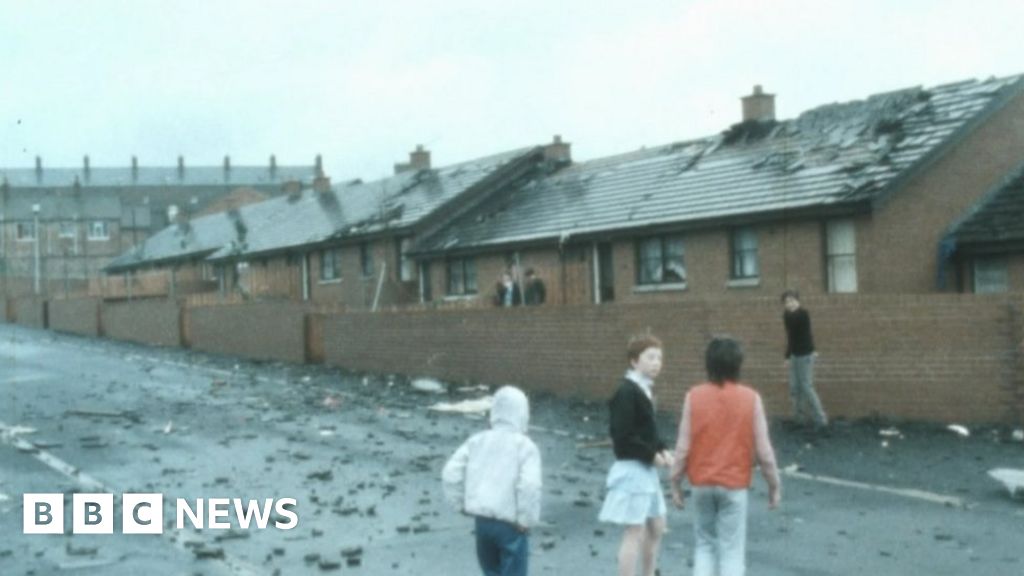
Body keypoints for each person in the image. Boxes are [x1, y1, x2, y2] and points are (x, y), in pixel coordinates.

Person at [670, 337, 781, 576]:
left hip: (701, 483)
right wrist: (774, 486)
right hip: (734, 485)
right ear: (738, 364)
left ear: (708, 364)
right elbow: (764, 452)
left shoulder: (694, 396)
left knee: (704, 545)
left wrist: (675, 481)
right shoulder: (751, 398)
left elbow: (682, 447)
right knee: (731, 551)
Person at [442, 386, 542, 576]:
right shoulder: (526, 447)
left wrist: (459, 504)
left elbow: (450, 473)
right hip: (511, 525)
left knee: (490, 571)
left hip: (482, 524)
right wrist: (526, 520)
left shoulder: (476, 441)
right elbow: (530, 486)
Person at [598, 334, 674, 576]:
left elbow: (647, 430)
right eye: (650, 357)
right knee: (635, 531)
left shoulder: (643, 390)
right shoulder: (626, 391)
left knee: (657, 526)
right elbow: (623, 436)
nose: (656, 363)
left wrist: (662, 448)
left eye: (659, 358)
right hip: (632, 469)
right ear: (633, 361)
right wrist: (652, 455)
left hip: (645, 470)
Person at [781, 290, 828, 430]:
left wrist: (812, 351)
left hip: (806, 354)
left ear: (798, 301)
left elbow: (803, 334)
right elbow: (790, 337)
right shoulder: (786, 316)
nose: (790, 304)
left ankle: (821, 418)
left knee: (806, 386)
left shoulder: (803, 314)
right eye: (787, 302)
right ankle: (798, 419)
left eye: (792, 301)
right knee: (794, 387)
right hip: (794, 355)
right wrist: (787, 356)